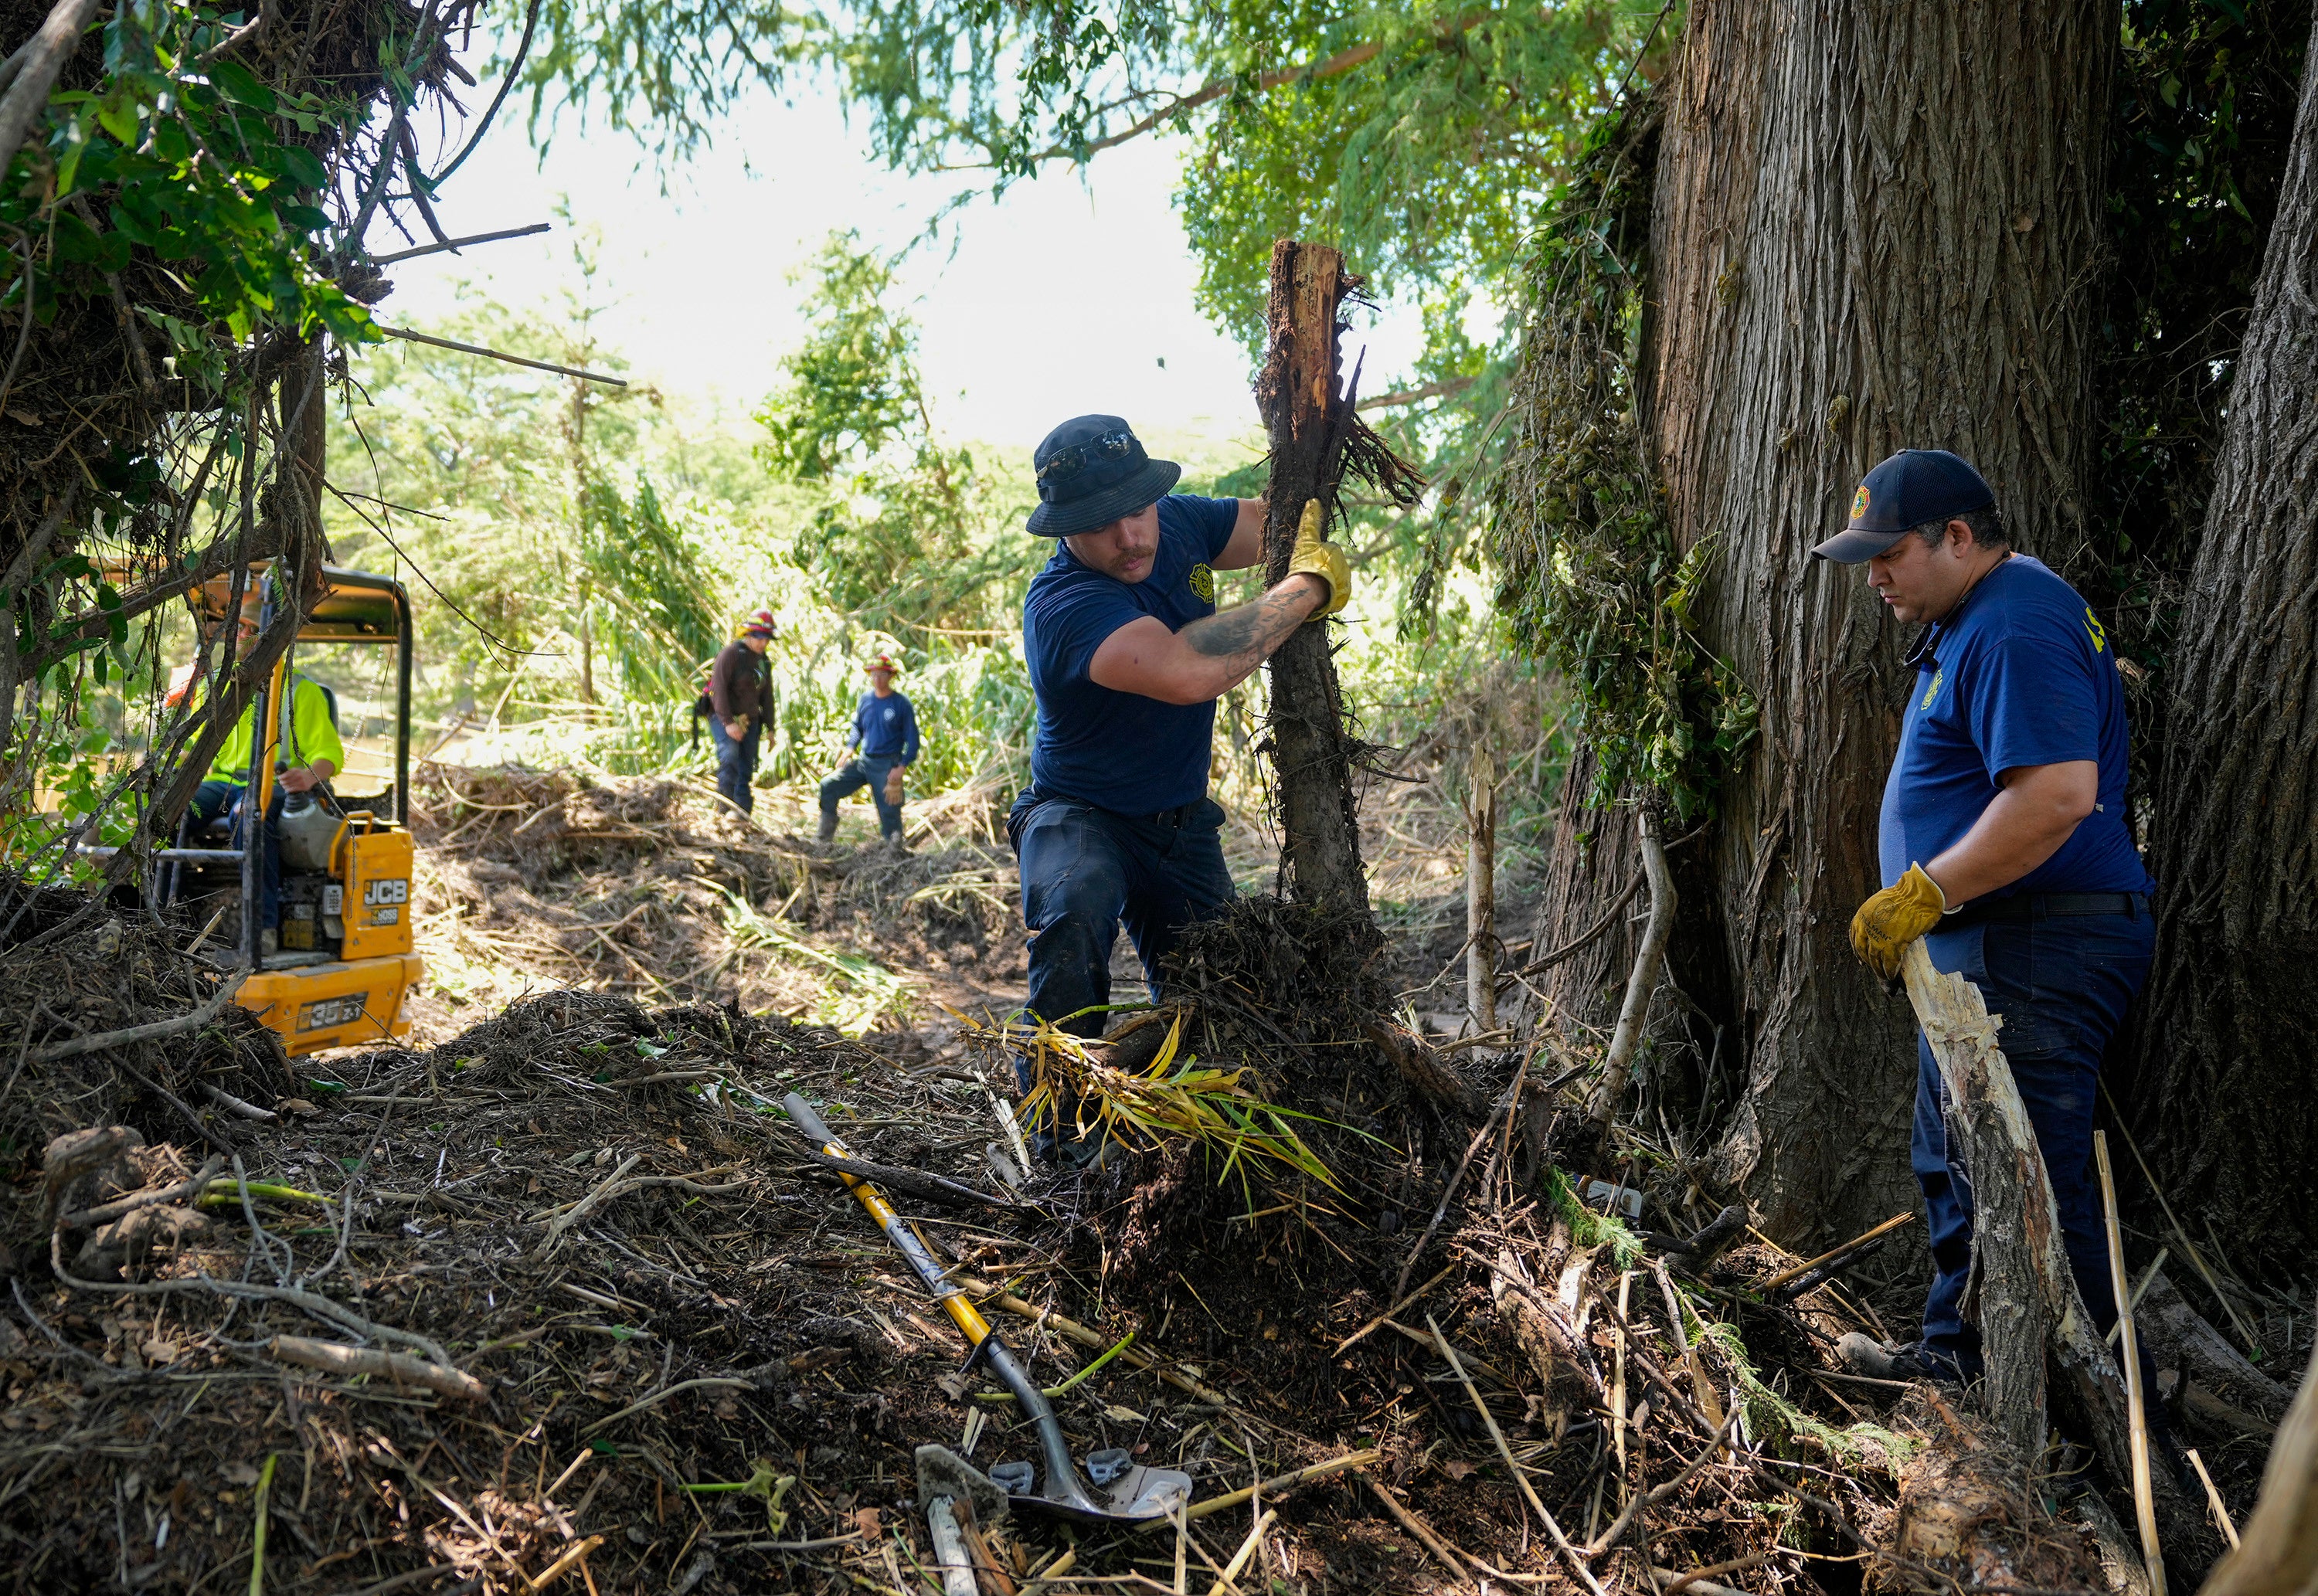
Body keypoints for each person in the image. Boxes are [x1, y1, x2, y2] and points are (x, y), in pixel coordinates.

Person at [1815, 449, 2157, 1387]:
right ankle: (1960, 1360)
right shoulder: (1983, 617)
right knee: (1972, 1160)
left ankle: (2102, 1416)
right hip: (1999, 943)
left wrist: (1924, 891)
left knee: (2029, 1180)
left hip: (2040, 940)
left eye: (1888, 553)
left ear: (1957, 537)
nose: (1874, 576)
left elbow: (2055, 796)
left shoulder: (2013, 620)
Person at [1008, 413, 1348, 1126]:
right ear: (1064, 527)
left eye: (1137, 510)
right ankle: (1055, 1125)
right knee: (1076, 907)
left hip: (1179, 826)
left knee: (1223, 990)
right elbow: (1187, 669)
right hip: (1081, 815)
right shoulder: (1063, 606)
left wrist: (1309, 514)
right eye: (1102, 524)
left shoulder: (1178, 523)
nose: (1131, 537)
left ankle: (1189, 1120)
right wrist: (1306, 588)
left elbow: (1273, 525)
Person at [185, 606, 344, 957]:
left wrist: (308, 775)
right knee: (176, 810)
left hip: (272, 784)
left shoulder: (301, 692)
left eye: (249, 629)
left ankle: (262, 929)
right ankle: (167, 915)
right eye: (236, 629)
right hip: (222, 783)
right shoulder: (220, 688)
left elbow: (330, 754)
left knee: (248, 815)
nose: (239, 636)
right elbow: (196, 750)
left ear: (274, 638)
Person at [817, 655, 920, 844]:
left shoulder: (900, 704)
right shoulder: (865, 700)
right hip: (865, 762)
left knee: (890, 808)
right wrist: (850, 748)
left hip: (887, 764)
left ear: (890, 676)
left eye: (882, 675)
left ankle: (893, 848)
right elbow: (858, 727)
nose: (877, 679)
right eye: (874, 675)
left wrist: (902, 766)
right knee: (829, 786)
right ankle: (823, 840)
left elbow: (913, 740)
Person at [706, 607, 777, 816]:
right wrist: (729, 723)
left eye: (766, 639)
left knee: (747, 766)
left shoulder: (764, 662)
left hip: (751, 720)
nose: (763, 643)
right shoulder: (730, 655)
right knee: (730, 757)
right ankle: (723, 810)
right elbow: (716, 689)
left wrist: (771, 728)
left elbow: (767, 697)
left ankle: (742, 815)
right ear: (748, 634)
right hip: (723, 716)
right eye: (759, 638)